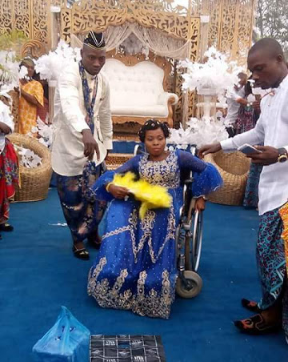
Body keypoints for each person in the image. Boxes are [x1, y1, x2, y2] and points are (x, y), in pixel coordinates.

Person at [87, 119, 222, 319]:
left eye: (160, 138)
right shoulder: (138, 161)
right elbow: (112, 175)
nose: (156, 143)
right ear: (143, 142)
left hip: (167, 206)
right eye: (150, 139)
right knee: (118, 212)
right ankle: (117, 271)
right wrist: (110, 187)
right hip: (141, 203)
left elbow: (207, 170)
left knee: (157, 220)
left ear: (166, 138)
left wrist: (200, 195)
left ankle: (150, 278)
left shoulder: (180, 157)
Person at [199, 38, 288, 339]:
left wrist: (281, 154)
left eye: (260, 69)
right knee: (266, 255)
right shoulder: (274, 97)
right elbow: (257, 132)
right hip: (271, 190)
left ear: (279, 58)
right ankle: (270, 304)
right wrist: (221, 144)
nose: (256, 77)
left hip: (287, 192)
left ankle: (273, 315)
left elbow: (278, 147)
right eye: (252, 71)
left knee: (275, 256)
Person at [51, 31, 113, 260]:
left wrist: (108, 142)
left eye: (101, 58)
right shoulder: (69, 75)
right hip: (70, 145)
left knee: (98, 194)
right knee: (72, 199)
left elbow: (105, 113)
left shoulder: (103, 81)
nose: (97, 63)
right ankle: (77, 239)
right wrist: (84, 130)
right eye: (91, 58)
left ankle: (93, 232)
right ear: (82, 54)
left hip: (94, 147)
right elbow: (68, 105)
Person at [0, 100, 18, 239]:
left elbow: (8, 129)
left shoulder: (2, 105)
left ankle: (1, 219)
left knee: (2, 188)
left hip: (1, 150)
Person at [17, 58, 44, 136]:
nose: (30, 70)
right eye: (27, 67)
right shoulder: (15, 82)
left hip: (28, 125)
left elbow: (37, 102)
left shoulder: (36, 84)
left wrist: (21, 91)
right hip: (15, 123)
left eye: (32, 68)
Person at [225, 72, 247, 137]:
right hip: (230, 123)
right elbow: (240, 100)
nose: (240, 87)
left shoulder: (242, 89)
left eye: (242, 85)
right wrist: (251, 104)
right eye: (239, 84)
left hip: (240, 123)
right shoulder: (230, 90)